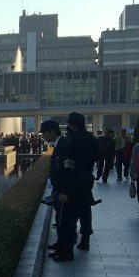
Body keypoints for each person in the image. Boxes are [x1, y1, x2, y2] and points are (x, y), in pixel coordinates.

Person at [41, 119, 79, 262]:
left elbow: (69, 170)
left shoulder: (66, 146)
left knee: (66, 222)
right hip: (58, 189)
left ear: (52, 131)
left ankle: (67, 252)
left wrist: (64, 191)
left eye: (44, 133)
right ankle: (61, 246)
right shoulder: (59, 145)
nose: (43, 136)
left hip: (65, 191)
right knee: (60, 220)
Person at [65, 112, 97, 250]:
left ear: (72, 125)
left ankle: (71, 238)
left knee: (71, 210)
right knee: (85, 210)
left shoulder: (72, 140)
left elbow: (69, 162)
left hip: (73, 179)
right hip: (87, 178)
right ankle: (85, 239)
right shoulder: (93, 139)